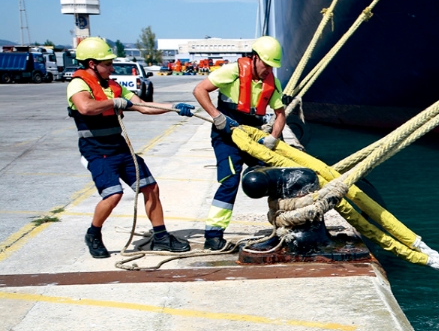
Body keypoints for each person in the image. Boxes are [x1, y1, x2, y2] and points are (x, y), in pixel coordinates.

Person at [68, 37, 196, 259]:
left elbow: (144, 106)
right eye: (107, 64)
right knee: (113, 194)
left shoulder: (113, 87)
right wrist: (113, 103)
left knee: (151, 188)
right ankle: (94, 234)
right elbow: (86, 107)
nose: (111, 67)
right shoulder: (78, 84)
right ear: (91, 64)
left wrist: (174, 107)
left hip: (120, 149)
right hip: (97, 152)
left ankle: (161, 238)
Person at [192, 36, 287, 250]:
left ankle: (284, 226)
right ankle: (213, 236)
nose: (268, 70)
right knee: (230, 181)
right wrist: (217, 116)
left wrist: (273, 138)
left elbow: (280, 114)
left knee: (277, 176)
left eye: (273, 66)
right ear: (254, 59)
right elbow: (200, 90)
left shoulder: (272, 82)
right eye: (266, 64)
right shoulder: (232, 72)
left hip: (253, 137)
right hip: (227, 136)